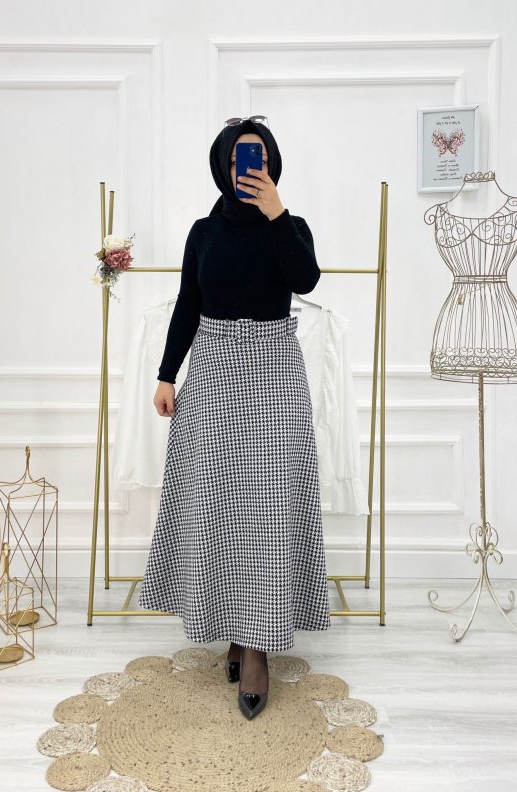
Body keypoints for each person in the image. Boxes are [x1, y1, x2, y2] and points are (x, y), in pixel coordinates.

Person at [139, 116, 331, 720]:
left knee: (267, 513)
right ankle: (231, 625)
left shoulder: (290, 226)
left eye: (261, 157)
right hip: (215, 375)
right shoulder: (203, 232)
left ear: (273, 164)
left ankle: (257, 647)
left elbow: (305, 280)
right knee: (220, 509)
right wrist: (167, 374)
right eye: (240, 159)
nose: (250, 168)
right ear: (223, 166)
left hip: (273, 375)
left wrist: (277, 213)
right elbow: (187, 305)